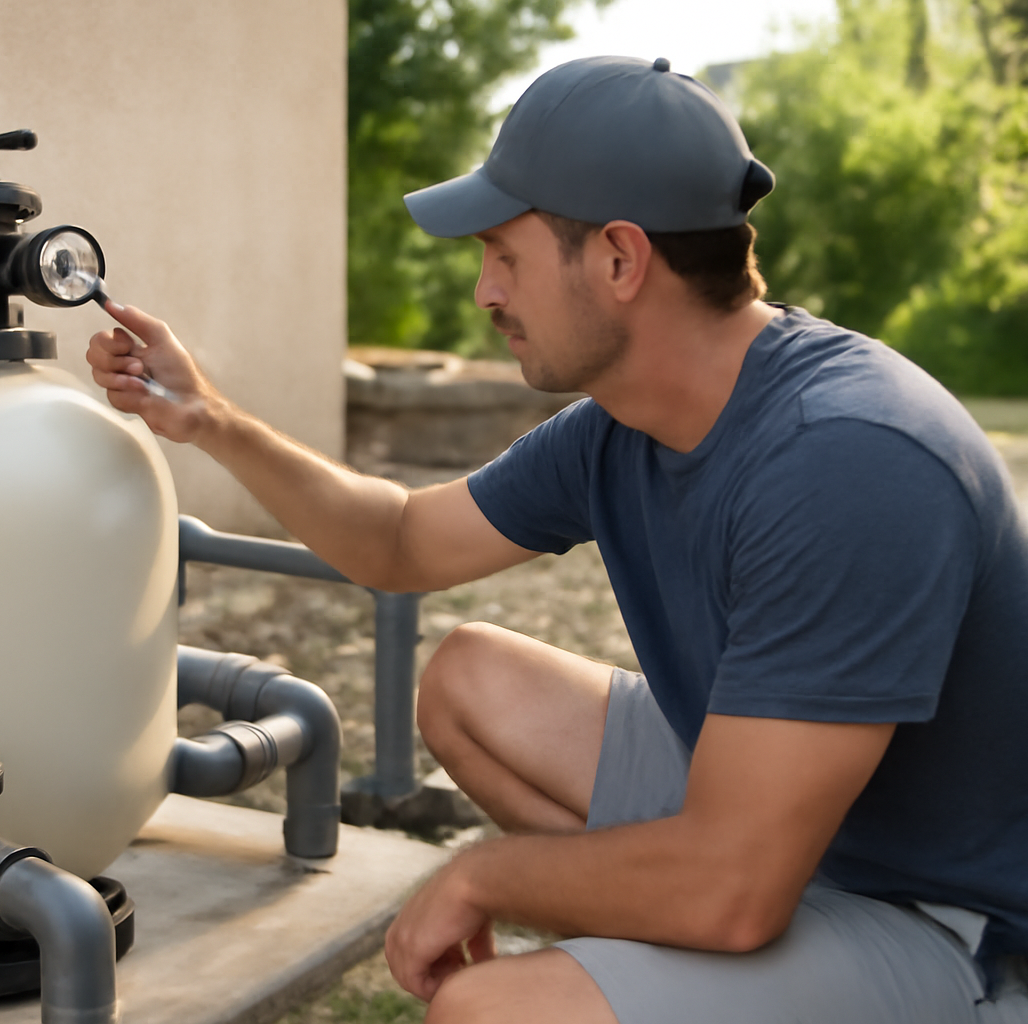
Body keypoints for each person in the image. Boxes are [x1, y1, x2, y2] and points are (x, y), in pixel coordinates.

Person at [86, 54, 1028, 1024]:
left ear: (620, 260)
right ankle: (680, 958)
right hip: (792, 830)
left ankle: (694, 959)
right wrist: (208, 417)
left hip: (953, 924)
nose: (487, 293)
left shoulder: (847, 457)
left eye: (506, 254)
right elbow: (401, 541)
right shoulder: (621, 428)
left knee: (490, 1011)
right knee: (468, 682)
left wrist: (489, 875)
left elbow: (736, 886)